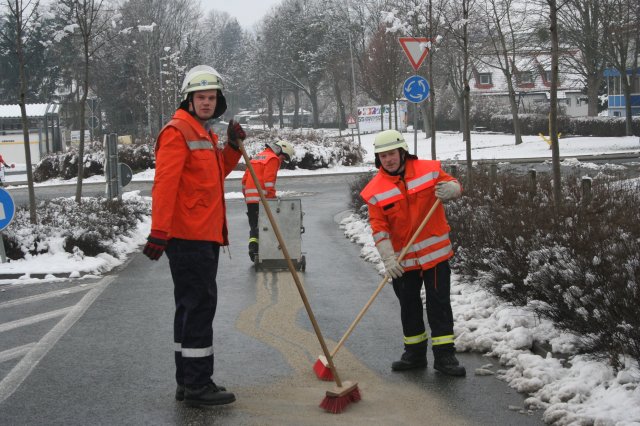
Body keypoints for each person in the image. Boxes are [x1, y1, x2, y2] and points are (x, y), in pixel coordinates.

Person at [142, 65, 246, 406]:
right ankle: (197, 385)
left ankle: (189, 381)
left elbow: (216, 173)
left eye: (211, 97)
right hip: (189, 237)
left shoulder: (202, 133)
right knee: (199, 307)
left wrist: (231, 146)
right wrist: (159, 231)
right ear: (189, 99)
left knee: (190, 308)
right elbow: (165, 185)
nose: (206, 102)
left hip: (203, 235)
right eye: (200, 97)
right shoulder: (177, 132)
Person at [360, 129, 466, 377]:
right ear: (378, 158)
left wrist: (452, 189)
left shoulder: (427, 170)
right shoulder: (375, 190)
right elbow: (379, 228)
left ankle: (444, 356)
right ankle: (414, 354)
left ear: (402, 151)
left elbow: (452, 184)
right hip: (402, 259)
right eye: (383, 155)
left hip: (435, 255)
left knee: (439, 304)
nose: (389, 159)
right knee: (409, 305)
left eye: (392, 153)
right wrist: (388, 258)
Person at [241, 140, 294, 261]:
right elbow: (269, 181)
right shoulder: (272, 159)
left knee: (254, 226)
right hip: (263, 199)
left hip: (251, 200)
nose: (281, 161)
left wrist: (247, 197)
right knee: (267, 226)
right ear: (280, 150)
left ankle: (253, 249)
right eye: (283, 158)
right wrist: (271, 199)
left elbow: (244, 181)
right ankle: (267, 252)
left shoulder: (257, 157)